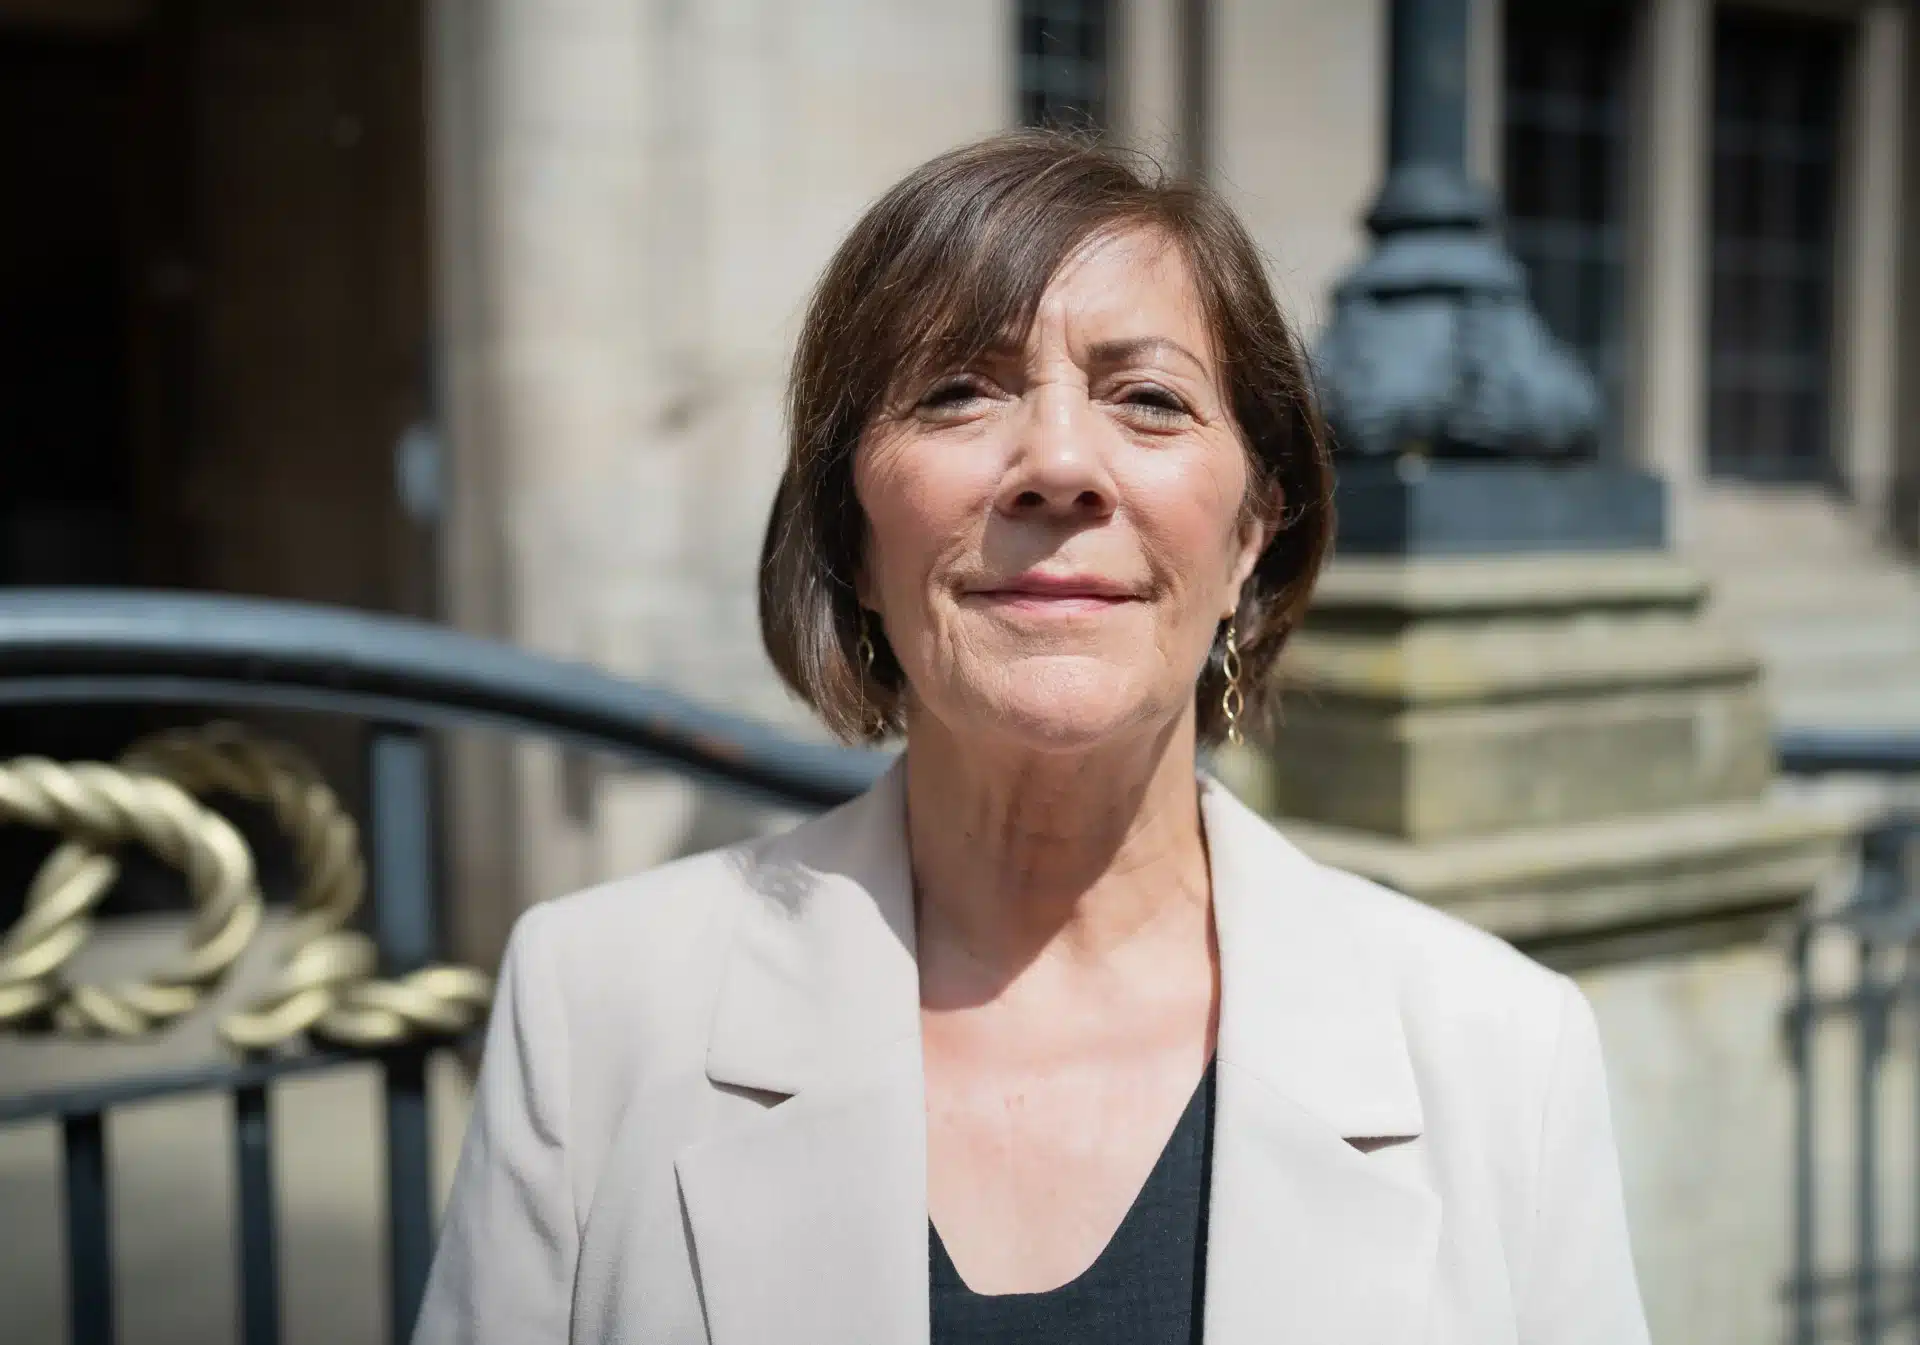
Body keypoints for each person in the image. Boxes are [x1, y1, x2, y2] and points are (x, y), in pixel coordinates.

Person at [413, 132, 1650, 1345]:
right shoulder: (594, 1010)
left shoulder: (1502, 1052)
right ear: (854, 535)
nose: (1058, 465)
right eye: (957, 392)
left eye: (1150, 400)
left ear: (1250, 535)